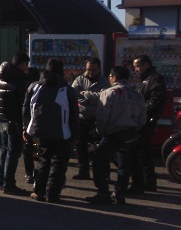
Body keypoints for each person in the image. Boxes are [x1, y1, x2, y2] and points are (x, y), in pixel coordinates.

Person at [86, 65, 147, 205]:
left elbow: (102, 117)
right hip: (131, 133)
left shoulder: (109, 93)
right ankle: (119, 194)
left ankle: (103, 192)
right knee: (124, 165)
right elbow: (143, 117)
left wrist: (100, 130)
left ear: (113, 77)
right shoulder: (136, 94)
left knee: (99, 161)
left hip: (113, 133)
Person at [23, 58, 79, 203]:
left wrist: (26, 128)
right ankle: (52, 194)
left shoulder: (34, 87)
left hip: (39, 131)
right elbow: (74, 115)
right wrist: (75, 135)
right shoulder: (68, 90)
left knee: (43, 160)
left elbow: (26, 109)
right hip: (63, 133)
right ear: (61, 71)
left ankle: (38, 191)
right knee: (58, 164)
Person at [0, 52, 31, 195]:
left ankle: (0, 179)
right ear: (23, 64)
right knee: (13, 152)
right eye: (26, 65)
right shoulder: (20, 81)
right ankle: (8, 184)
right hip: (14, 120)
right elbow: (23, 105)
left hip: (2, 117)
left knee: (4, 149)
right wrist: (24, 124)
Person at [130, 54, 167, 193]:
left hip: (147, 120)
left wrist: (141, 111)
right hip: (142, 119)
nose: (136, 69)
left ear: (145, 65)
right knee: (142, 151)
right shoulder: (145, 79)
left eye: (137, 66)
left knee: (142, 152)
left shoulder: (155, 79)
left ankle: (148, 181)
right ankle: (147, 181)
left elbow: (155, 100)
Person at [70, 58, 111, 180]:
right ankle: (83, 171)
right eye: (88, 69)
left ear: (99, 69)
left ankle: (104, 174)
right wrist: (92, 99)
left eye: (94, 70)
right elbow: (73, 94)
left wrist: (85, 94)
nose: (91, 72)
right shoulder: (79, 79)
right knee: (80, 146)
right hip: (81, 117)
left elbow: (103, 96)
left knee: (100, 147)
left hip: (97, 118)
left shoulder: (104, 81)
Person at [21, 67, 41, 184]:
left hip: (28, 123)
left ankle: (29, 174)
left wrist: (24, 125)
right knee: (38, 150)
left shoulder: (26, 87)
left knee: (27, 149)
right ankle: (37, 174)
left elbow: (24, 108)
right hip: (37, 124)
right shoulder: (39, 88)